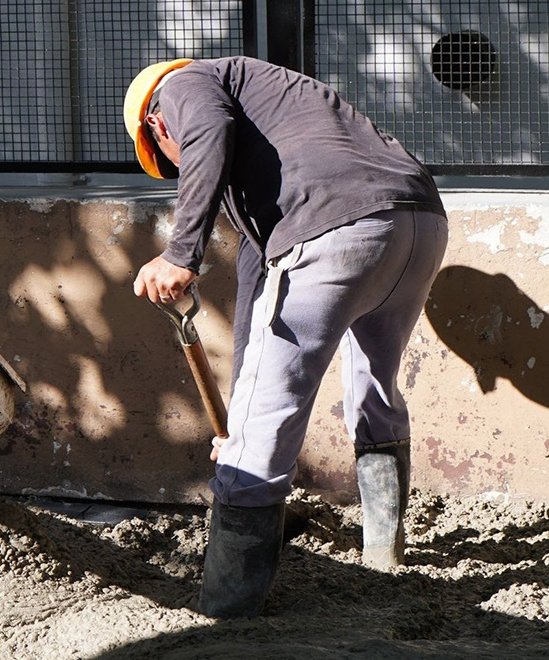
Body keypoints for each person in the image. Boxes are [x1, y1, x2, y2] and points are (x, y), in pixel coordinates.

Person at [123, 56, 449, 618]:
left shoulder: (178, 86)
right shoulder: (276, 128)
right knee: (374, 386)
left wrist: (182, 253)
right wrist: (241, 410)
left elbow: (206, 132)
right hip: (416, 222)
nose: (180, 170)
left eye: (167, 163)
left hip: (334, 228)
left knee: (268, 428)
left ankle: (229, 608)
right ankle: (383, 554)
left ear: (158, 128)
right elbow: (259, 280)